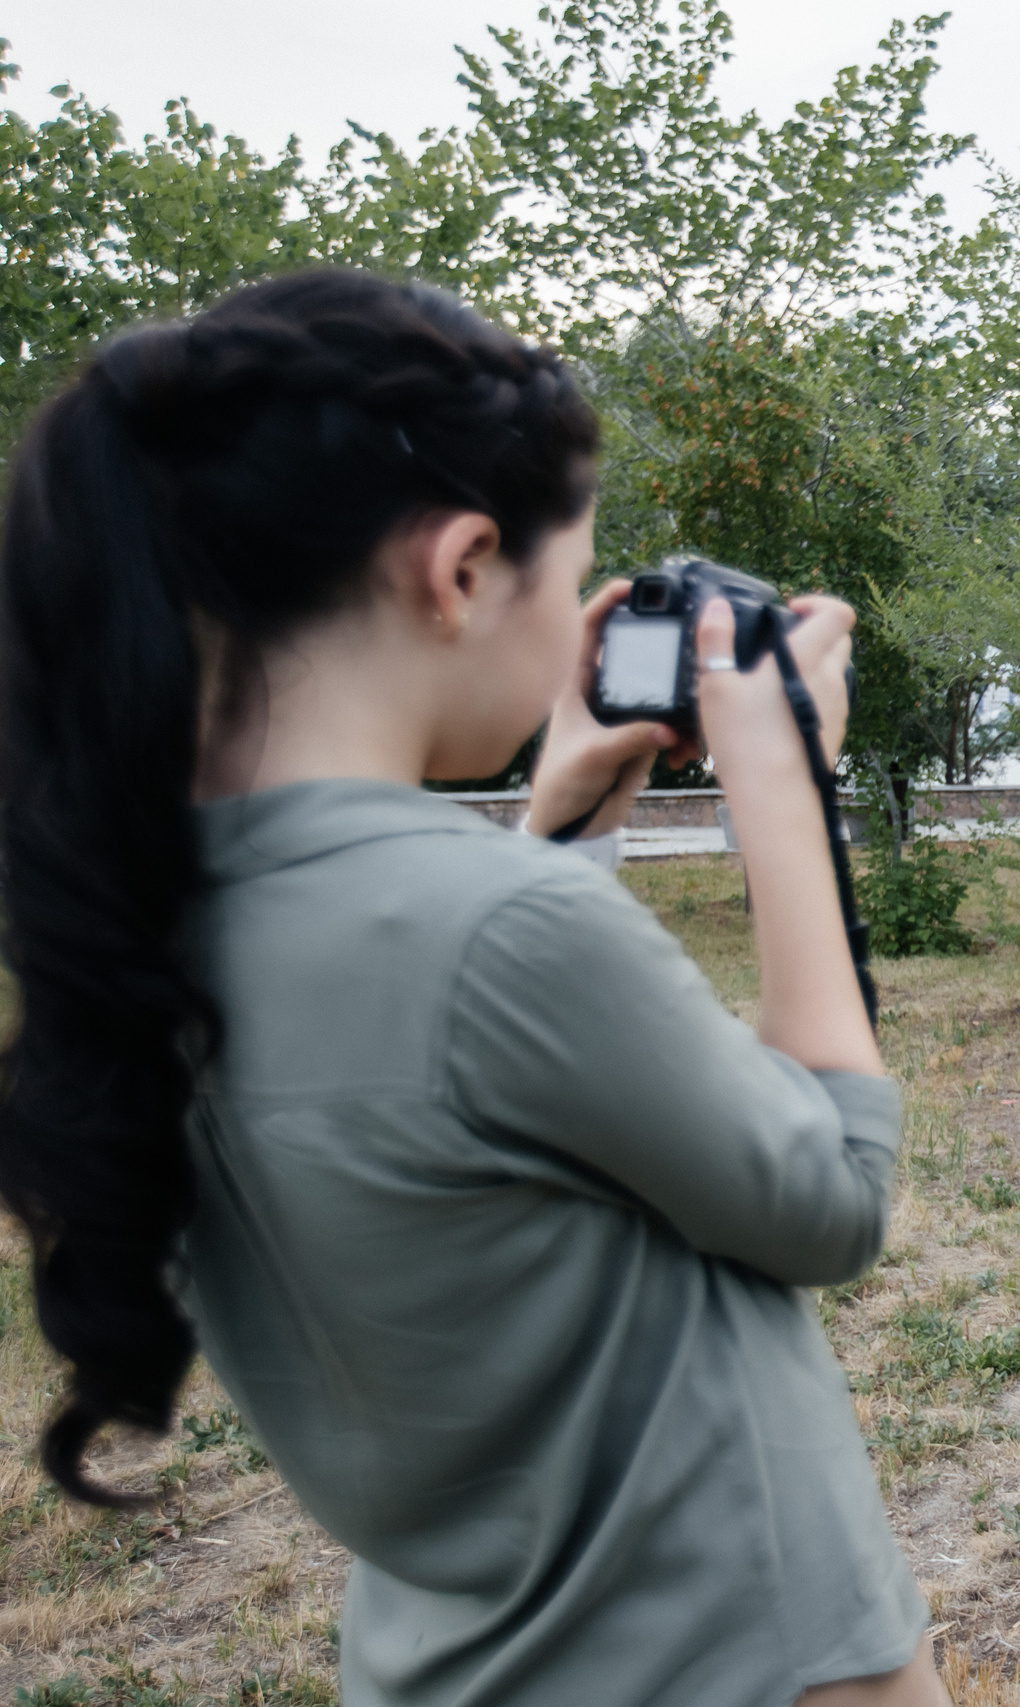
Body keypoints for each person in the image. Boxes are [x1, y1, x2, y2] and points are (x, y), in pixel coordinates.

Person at [0, 272, 949, 1707]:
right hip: (748, 1663)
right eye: (570, 578)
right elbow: (830, 1198)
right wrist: (786, 786)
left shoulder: (134, 930)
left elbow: (458, 1084)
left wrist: (563, 817)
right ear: (459, 569)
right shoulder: (497, 929)